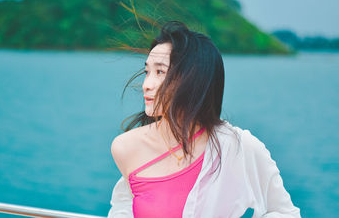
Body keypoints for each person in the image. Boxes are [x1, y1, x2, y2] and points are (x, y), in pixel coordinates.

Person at [108, 21, 301, 218]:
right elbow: (123, 208)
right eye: (147, 71)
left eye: (160, 72)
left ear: (193, 80)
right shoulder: (126, 148)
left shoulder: (236, 147)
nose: (146, 85)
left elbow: (286, 213)